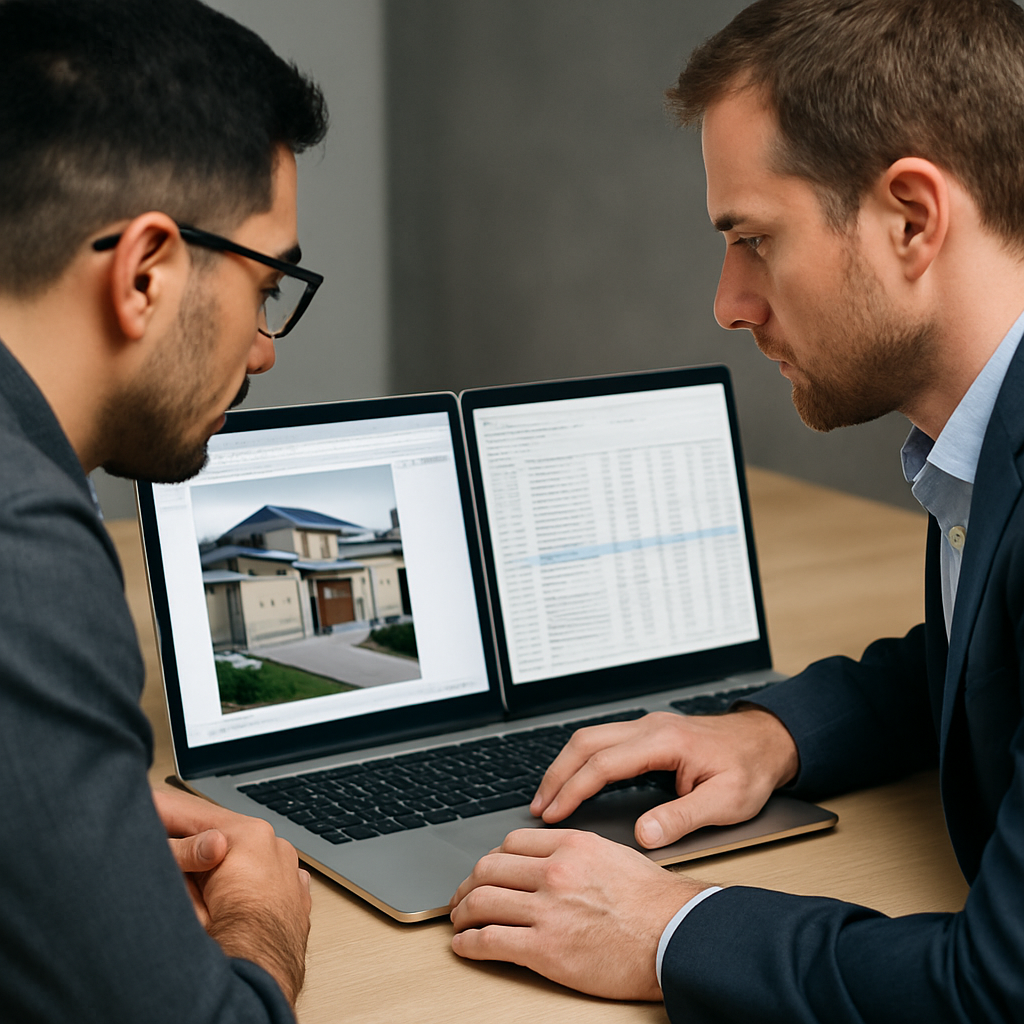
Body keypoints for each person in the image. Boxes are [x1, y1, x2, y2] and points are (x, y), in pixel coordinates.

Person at [448, 0, 1024, 1019]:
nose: (728, 301)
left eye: (754, 238)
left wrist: (668, 929)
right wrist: (773, 731)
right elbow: (986, 664)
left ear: (911, 218)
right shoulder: (984, 436)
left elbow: (995, 990)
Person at [0, 1, 329, 1021]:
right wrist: (262, 920)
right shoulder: (25, 555)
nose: (265, 345)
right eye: (265, 286)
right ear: (146, 272)